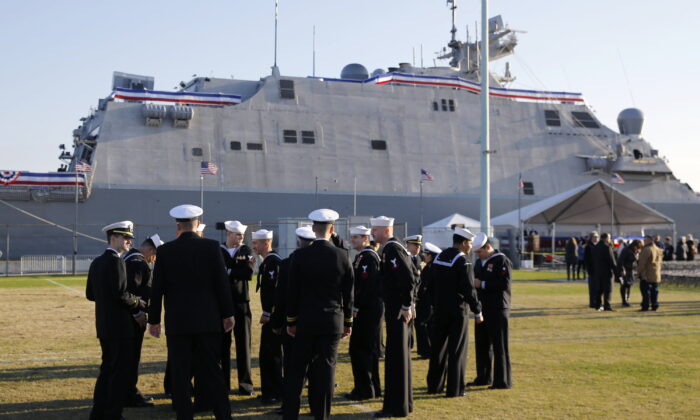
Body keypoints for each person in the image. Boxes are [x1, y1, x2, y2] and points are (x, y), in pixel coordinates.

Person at [148, 204, 235, 420]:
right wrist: (228, 314)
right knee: (213, 371)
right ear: (197, 224)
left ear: (178, 226)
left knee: (180, 374)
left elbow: (157, 288)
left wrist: (154, 320)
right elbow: (221, 284)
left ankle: (184, 416)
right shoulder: (212, 247)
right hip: (208, 321)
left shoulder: (165, 251)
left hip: (179, 323)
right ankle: (223, 415)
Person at [283, 209, 354, 420]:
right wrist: (348, 321)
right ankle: (321, 415)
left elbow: (292, 291)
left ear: (313, 229)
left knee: (296, 370)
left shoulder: (299, 256)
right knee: (326, 370)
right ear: (332, 230)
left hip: (305, 320)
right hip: (332, 320)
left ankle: (289, 414)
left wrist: (291, 320)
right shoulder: (343, 256)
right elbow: (348, 294)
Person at [86, 221, 145, 420]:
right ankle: (112, 413)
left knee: (106, 369)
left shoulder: (97, 262)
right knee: (118, 373)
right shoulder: (117, 261)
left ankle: (99, 411)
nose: (129, 241)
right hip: (120, 327)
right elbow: (121, 294)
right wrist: (138, 303)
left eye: (130, 238)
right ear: (114, 238)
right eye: (125, 237)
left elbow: (91, 294)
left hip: (104, 325)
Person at [426, 228, 483, 397]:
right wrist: (477, 310)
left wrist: (434, 304)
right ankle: (455, 389)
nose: (471, 247)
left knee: (438, 350)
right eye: (470, 243)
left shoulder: (439, 258)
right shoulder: (463, 261)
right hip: (458, 312)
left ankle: (434, 386)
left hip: (439, 310)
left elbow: (430, 285)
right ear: (464, 243)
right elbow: (468, 289)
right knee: (457, 351)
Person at [371, 216, 416, 418]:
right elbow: (414, 274)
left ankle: (396, 407)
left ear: (386, 230)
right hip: (398, 308)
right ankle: (404, 403)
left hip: (397, 310)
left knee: (396, 360)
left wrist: (407, 304)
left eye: (376, 230)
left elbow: (408, 277)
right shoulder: (394, 248)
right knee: (399, 358)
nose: (373, 234)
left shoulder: (392, 249)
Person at [270, 226, 316, 415]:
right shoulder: (326, 260)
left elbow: (282, 296)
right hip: (317, 322)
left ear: (298, 242)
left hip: (294, 323)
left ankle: (289, 406)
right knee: (316, 366)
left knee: (292, 367)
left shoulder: (289, 263)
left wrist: (277, 322)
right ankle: (317, 406)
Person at [122, 233, 163, 408]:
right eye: (154, 254)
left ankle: (128, 392)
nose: (153, 259)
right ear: (149, 249)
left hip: (127, 317)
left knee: (128, 357)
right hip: (133, 318)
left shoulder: (129, 257)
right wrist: (137, 312)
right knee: (131, 357)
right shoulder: (138, 262)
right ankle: (130, 395)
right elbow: (133, 290)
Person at [472, 233, 512, 390]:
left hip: (498, 308)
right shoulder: (478, 262)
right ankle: (483, 377)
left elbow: (504, 283)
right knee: (482, 345)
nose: (478, 255)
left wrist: (481, 284)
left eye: (479, 251)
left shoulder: (501, 260)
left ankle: (502, 380)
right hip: (482, 308)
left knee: (499, 345)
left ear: (488, 247)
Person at [347, 225, 383, 401]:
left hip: (367, 310)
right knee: (366, 349)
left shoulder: (368, 257)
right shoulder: (363, 256)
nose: (353, 240)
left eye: (356, 237)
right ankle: (370, 388)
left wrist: (357, 306)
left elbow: (368, 286)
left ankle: (365, 389)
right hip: (368, 308)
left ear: (366, 239)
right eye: (352, 237)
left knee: (362, 349)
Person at [220, 220, 255, 396]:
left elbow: (248, 273)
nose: (241, 238)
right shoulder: (218, 250)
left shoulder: (246, 250)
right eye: (238, 234)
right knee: (222, 346)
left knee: (244, 345)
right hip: (222, 305)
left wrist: (228, 271)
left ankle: (245, 384)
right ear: (228, 234)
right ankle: (222, 384)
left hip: (242, 303)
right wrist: (235, 270)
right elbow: (216, 273)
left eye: (242, 235)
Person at [253, 229, 284, 404]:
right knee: (266, 355)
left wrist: (268, 315)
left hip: (273, 318)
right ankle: (269, 390)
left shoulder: (273, 263)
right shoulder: (267, 262)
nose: (253, 246)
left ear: (266, 243)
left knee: (271, 355)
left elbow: (275, 294)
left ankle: (274, 392)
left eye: (256, 243)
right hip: (271, 316)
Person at [415, 242, 441, 359]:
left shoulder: (429, 268)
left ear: (431, 255)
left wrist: (417, 297)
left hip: (426, 302)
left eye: (426, 254)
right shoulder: (433, 267)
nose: (424, 256)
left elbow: (423, 286)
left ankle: (425, 351)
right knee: (429, 326)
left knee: (422, 325)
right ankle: (430, 350)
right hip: (431, 302)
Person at [593, 233, 619, 311]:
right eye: (609, 238)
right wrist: (616, 272)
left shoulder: (596, 246)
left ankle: (598, 305)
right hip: (606, 271)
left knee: (599, 289)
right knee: (608, 289)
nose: (610, 239)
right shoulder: (607, 247)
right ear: (606, 238)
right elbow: (612, 261)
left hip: (598, 271)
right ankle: (607, 305)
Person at [637, 235, 663, 311]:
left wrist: (638, 272)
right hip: (656, 273)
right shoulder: (658, 249)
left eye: (645, 240)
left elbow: (642, 263)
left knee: (645, 291)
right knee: (655, 291)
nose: (643, 242)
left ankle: (645, 306)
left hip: (647, 274)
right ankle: (655, 305)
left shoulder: (647, 249)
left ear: (649, 240)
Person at [617, 239, 641, 307]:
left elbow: (636, 261)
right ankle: (624, 301)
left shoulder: (634, 251)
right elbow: (620, 260)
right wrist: (622, 270)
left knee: (629, 285)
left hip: (630, 270)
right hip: (625, 270)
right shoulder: (626, 250)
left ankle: (627, 300)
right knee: (624, 285)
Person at [584, 231, 600, 308]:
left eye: (597, 237)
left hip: (599, 270)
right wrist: (589, 270)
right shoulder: (588, 247)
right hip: (592, 270)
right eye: (594, 237)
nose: (596, 238)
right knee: (592, 288)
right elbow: (586, 259)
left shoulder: (600, 246)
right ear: (591, 238)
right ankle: (592, 303)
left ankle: (598, 302)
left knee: (599, 287)